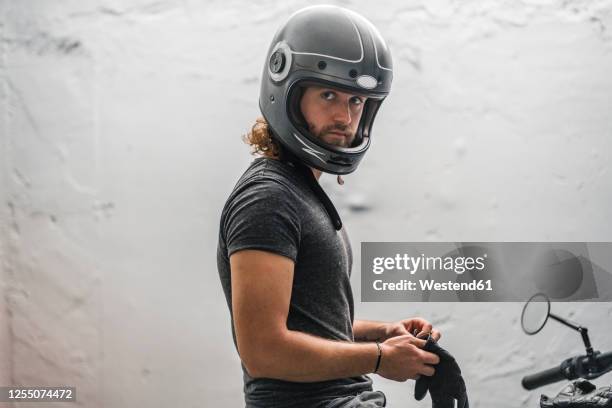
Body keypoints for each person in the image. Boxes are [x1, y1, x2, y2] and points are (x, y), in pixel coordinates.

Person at [217, 5, 441, 407]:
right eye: (328, 95)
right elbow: (264, 350)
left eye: (356, 101)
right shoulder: (268, 198)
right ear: (288, 93)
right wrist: (379, 360)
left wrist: (382, 334)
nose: (344, 116)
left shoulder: (298, 191)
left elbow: (310, 326)